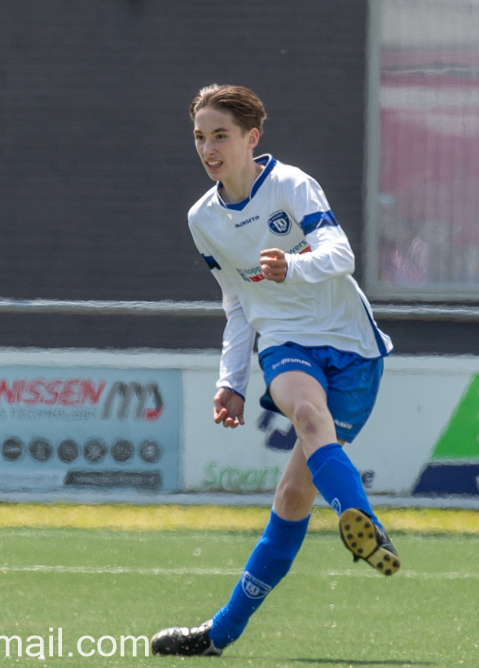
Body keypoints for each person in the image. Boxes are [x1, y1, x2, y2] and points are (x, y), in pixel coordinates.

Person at [151, 84, 399, 657]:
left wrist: (294, 265)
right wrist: (231, 381)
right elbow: (237, 303)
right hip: (285, 341)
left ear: (251, 138)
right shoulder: (203, 219)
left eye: (220, 136)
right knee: (307, 413)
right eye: (199, 137)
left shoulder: (291, 184)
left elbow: (341, 255)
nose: (208, 149)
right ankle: (362, 521)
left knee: (290, 497)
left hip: (354, 351)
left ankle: (217, 634)